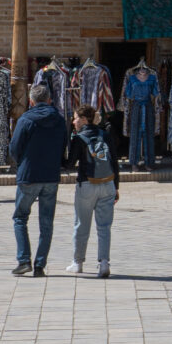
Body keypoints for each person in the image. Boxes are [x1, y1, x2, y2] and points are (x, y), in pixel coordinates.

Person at [9, 75, 70, 277]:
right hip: (50, 176)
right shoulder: (60, 120)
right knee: (46, 223)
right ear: (50, 100)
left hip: (29, 175)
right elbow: (64, 146)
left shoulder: (26, 119)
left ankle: (24, 259)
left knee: (20, 217)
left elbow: (15, 148)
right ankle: (40, 265)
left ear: (31, 101)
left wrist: (22, 163)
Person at [66, 103, 120, 277]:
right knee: (104, 227)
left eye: (75, 118)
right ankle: (104, 263)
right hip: (108, 184)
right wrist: (116, 186)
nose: (74, 121)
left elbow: (69, 164)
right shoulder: (105, 134)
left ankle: (78, 262)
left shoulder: (79, 138)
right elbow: (114, 161)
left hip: (87, 184)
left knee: (82, 224)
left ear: (83, 119)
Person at [120, 59, 159, 172]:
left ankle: (149, 162)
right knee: (135, 135)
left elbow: (156, 93)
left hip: (148, 107)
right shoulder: (131, 78)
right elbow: (128, 93)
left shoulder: (152, 77)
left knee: (148, 135)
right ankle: (134, 163)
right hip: (136, 107)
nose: (142, 70)